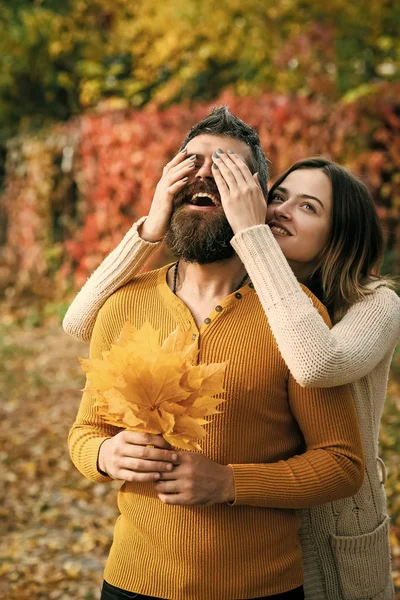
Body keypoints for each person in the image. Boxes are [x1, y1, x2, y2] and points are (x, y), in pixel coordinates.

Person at [66, 107, 383, 600]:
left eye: (228, 170)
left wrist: (230, 483)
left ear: (250, 198)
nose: (206, 176)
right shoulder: (124, 303)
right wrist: (105, 453)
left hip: (261, 588)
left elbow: (340, 464)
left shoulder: (296, 320)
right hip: (131, 581)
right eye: (191, 162)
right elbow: (86, 433)